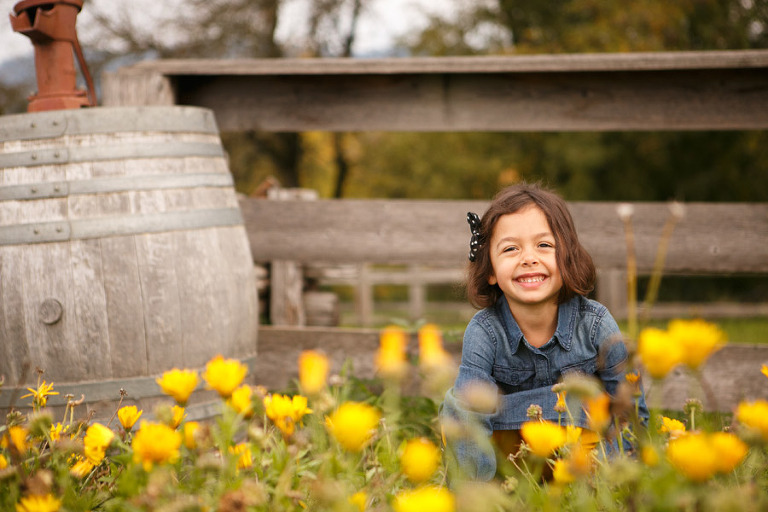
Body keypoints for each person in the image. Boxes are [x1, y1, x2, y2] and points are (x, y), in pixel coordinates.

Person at [440, 183, 649, 481]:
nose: (529, 258)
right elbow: (470, 415)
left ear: (568, 258)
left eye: (544, 245)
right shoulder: (484, 331)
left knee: (603, 409)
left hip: (583, 457)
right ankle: (475, 491)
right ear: (490, 270)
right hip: (514, 458)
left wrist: (622, 475)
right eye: (511, 248)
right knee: (457, 406)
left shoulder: (596, 324)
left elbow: (629, 410)